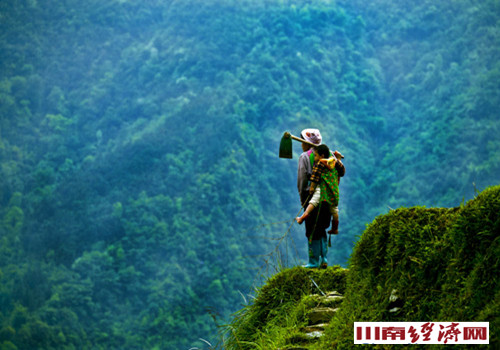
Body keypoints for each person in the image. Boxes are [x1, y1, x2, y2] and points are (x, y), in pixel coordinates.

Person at [296, 144, 344, 235]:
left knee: (313, 202)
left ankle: (303, 217)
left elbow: (315, 177)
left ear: (322, 156)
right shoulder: (335, 162)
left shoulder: (320, 163)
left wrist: (312, 188)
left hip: (322, 188)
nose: (315, 158)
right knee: (334, 209)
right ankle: (335, 229)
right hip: (333, 190)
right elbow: (342, 171)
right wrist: (338, 159)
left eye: (316, 156)